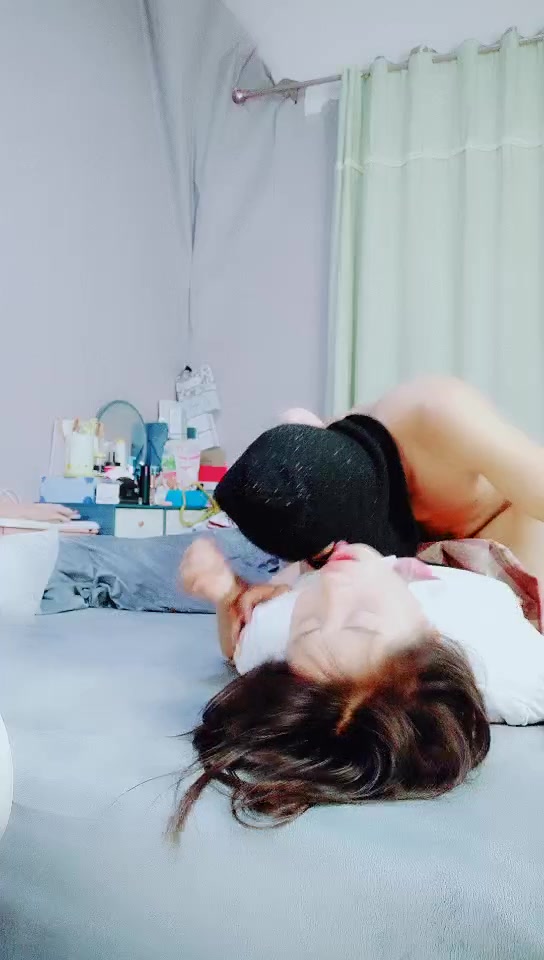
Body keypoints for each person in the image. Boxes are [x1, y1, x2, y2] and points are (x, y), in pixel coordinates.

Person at [170, 538, 490, 832]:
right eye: (363, 620)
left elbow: (238, 646)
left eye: (309, 626)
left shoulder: (284, 640)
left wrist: (227, 591)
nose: (332, 587)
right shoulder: (481, 615)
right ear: (428, 634)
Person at [214, 376, 544, 592]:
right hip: (421, 563)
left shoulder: (439, 415)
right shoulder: (315, 495)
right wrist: (258, 594)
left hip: (507, 530)